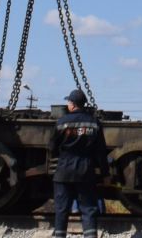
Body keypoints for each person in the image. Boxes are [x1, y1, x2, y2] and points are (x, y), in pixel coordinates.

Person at [49, 89, 108, 238]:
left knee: (62, 209)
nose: (67, 104)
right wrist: (105, 173)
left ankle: (60, 236)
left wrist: (60, 157)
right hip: (85, 171)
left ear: (73, 104)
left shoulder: (61, 122)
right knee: (88, 209)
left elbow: (52, 147)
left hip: (63, 171)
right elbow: (101, 151)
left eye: (68, 101)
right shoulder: (94, 123)